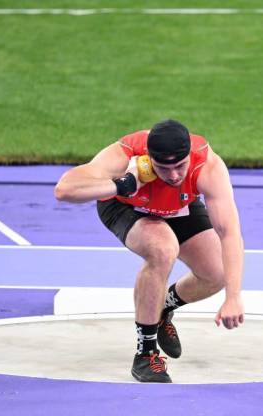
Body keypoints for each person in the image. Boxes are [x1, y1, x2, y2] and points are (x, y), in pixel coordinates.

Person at [54, 119, 245, 383]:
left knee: (217, 273)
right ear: (148, 159)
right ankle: (145, 354)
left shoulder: (208, 166)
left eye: (180, 166)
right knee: (163, 248)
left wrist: (233, 296)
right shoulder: (125, 154)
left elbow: (230, 232)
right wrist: (124, 184)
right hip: (126, 205)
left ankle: (162, 308)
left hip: (177, 207)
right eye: (164, 168)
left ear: (189, 155)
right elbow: (64, 190)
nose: (175, 175)